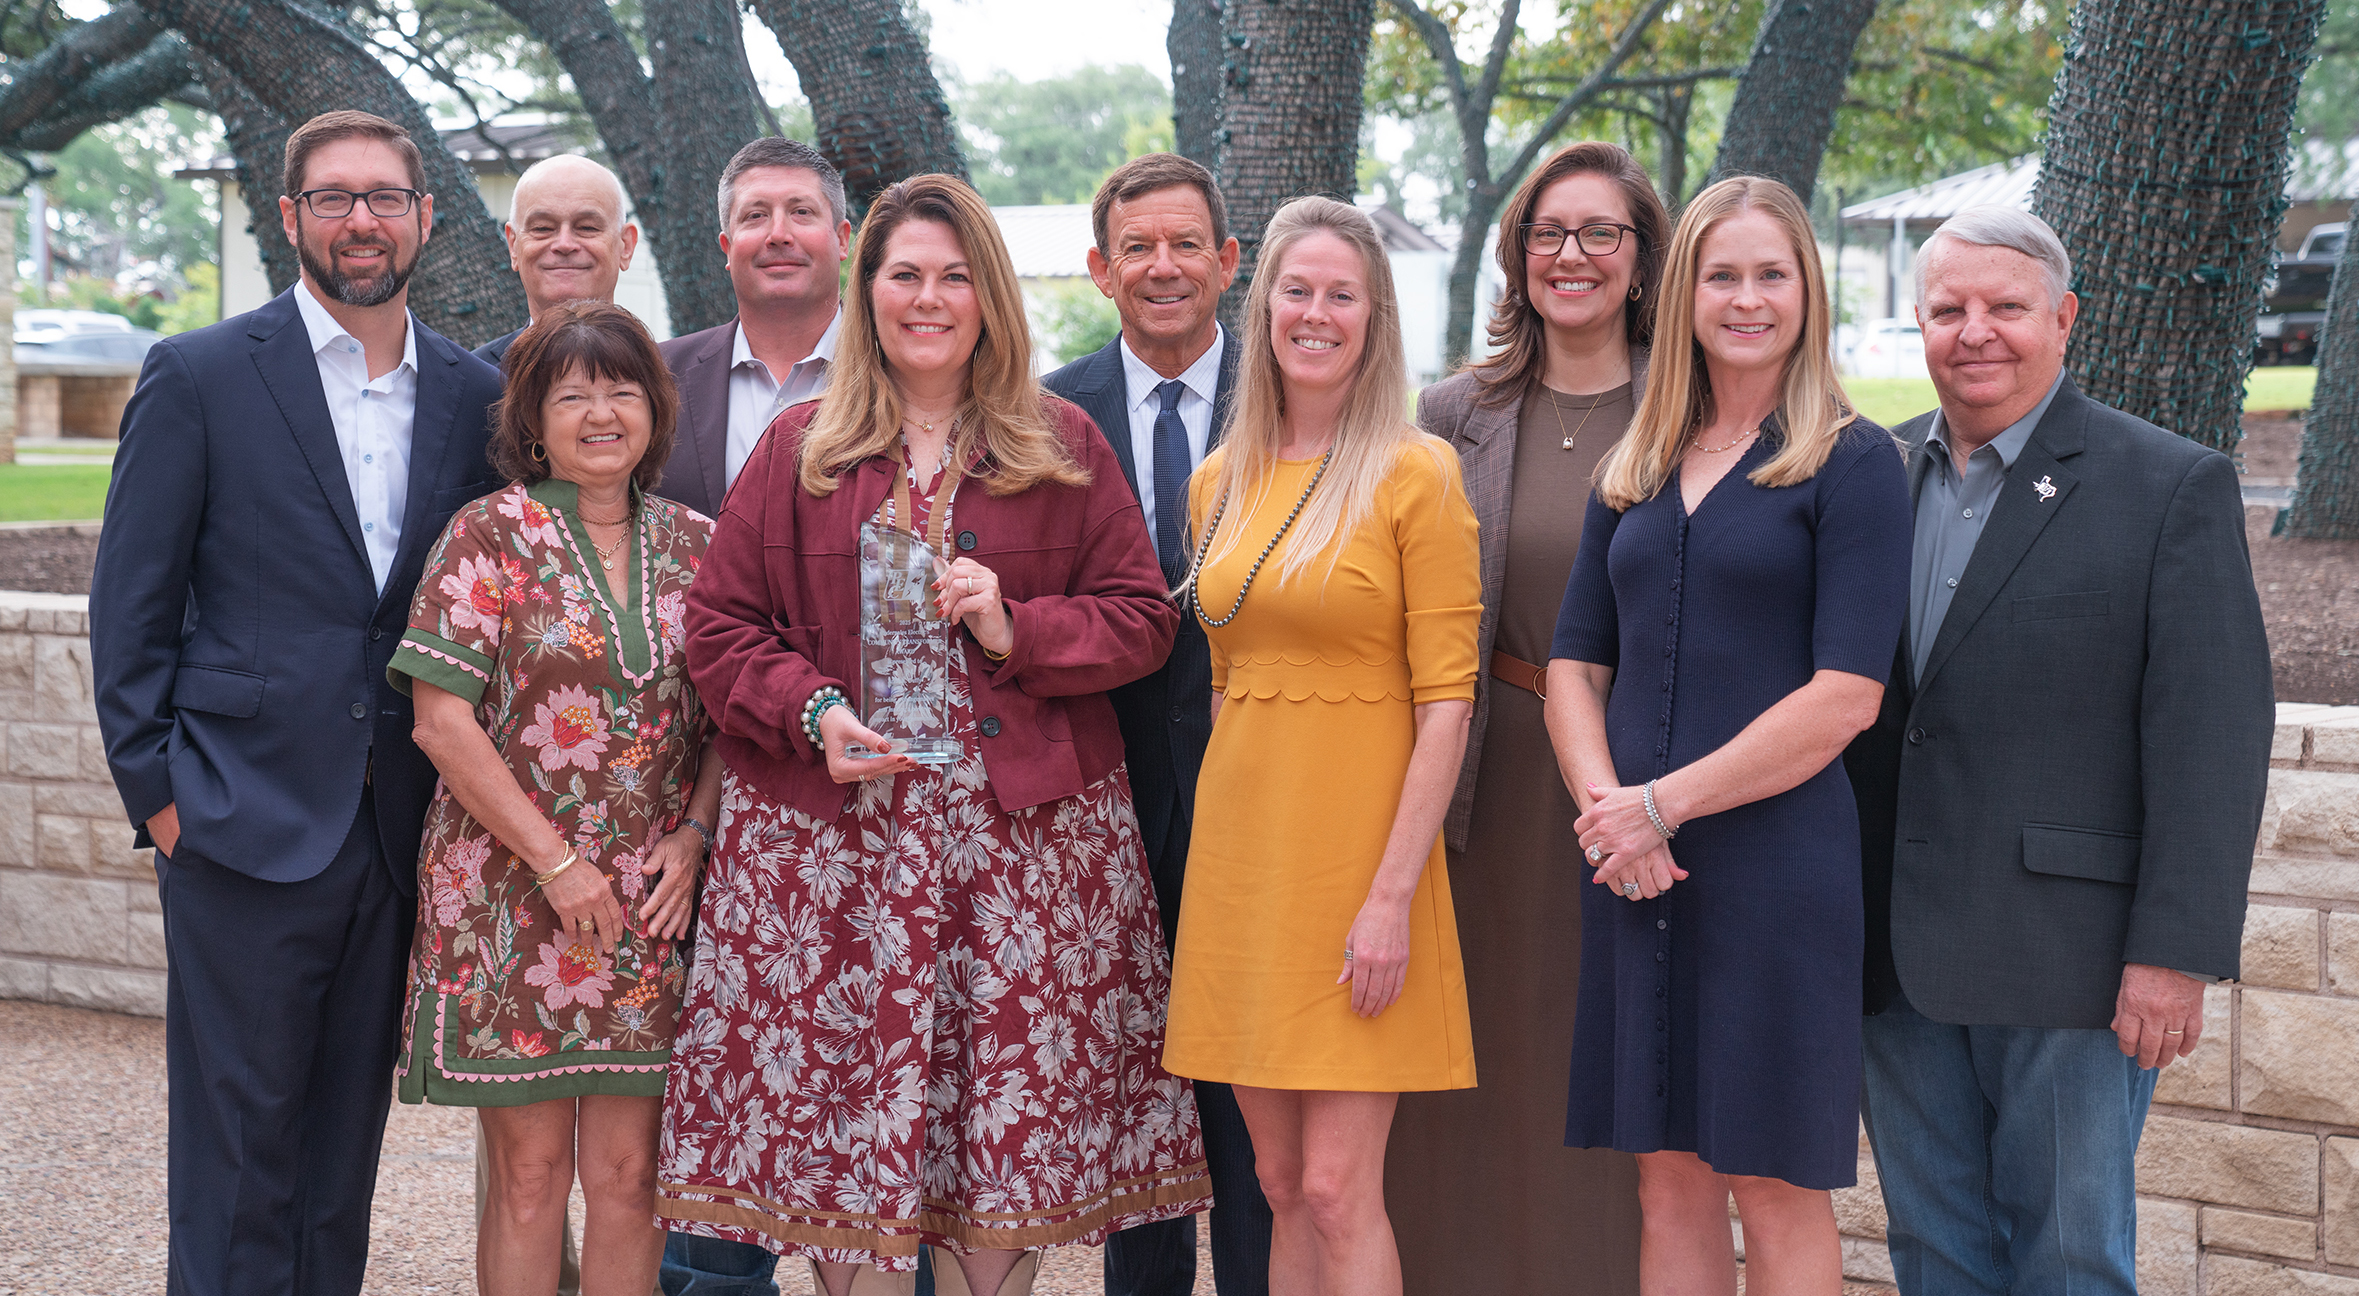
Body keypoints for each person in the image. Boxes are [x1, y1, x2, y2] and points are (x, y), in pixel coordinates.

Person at [660, 173, 1210, 1296]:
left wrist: (1016, 625)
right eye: (904, 274)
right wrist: (812, 710)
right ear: (866, 291)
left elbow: (1143, 621)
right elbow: (717, 627)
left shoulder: (1059, 442)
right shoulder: (800, 448)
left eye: (954, 277)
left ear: (988, 296)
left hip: (1027, 860)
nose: (927, 298)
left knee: (1004, 1147)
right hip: (832, 857)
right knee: (844, 1145)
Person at [89, 109, 504, 1296]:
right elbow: (131, 605)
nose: (360, 220)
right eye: (333, 198)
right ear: (290, 217)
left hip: (396, 832)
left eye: (384, 197)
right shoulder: (201, 374)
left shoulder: (475, 394)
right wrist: (163, 800)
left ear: (425, 216)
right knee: (236, 1157)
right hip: (238, 818)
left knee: (340, 1159)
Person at [1845, 204, 2272, 1296]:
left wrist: (2174, 953)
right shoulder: (1867, 476)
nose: (1974, 331)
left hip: (2069, 960)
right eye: (1948, 309)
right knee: (1932, 1253)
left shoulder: (2167, 484)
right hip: (1891, 951)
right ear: (1918, 322)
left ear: (2063, 318)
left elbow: (2214, 738)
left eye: (2005, 306)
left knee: (2069, 1259)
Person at [1547, 174, 1911, 1295]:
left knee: (1774, 1184)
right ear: (1682, 295)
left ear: (1807, 291)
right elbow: (1573, 666)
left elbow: (1845, 697)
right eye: (1721, 276)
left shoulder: (1855, 463)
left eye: (1770, 275)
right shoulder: (1636, 462)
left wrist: (1659, 807)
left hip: (1774, 875)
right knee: (1666, 1184)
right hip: (1634, 873)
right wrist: (1613, 818)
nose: (1746, 299)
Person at [1161, 195, 1482, 1296]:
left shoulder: (1415, 473)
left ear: (1373, 317)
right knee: (1278, 1181)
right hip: (1244, 874)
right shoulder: (1219, 481)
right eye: (1295, 290)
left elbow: (1447, 704)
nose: (1315, 313)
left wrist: (1392, 897)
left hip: (1360, 873)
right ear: (1262, 310)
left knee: (1342, 1188)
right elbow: (1223, 687)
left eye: (1341, 295)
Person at [388, 299, 715, 1295]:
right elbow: (441, 722)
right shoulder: (485, 535)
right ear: (533, 420)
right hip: (513, 896)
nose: (601, 413)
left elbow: (733, 721)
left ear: (656, 408)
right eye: (572, 396)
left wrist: (697, 834)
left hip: (649, 908)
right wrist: (559, 863)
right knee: (530, 1178)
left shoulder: (701, 546)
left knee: (631, 1179)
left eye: (622, 390)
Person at [1388, 140, 1664, 1296]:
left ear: (1641, 255)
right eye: (1548, 233)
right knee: (1469, 1070)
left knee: (1602, 1066)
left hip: (1638, 784)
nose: (1572, 255)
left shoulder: (1688, 402)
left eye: (1600, 232)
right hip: (1483, 777)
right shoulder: (1454, 412)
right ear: (1517, 255)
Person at [1041, 151, 1274, 1296]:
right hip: (1103, 801)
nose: (1163, 266)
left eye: (1187, 244)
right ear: (1100, 269)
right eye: (1137, 247)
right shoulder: (1043, 416)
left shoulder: (1292, 393)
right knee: (1137, 1103)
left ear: (1228, 262)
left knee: (1257, 1112)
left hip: (1267, 793)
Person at [656, 137, 850, 518]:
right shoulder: (657, 376)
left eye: (801, 212)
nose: (778, 234)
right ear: (727, 247)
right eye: (755, 216)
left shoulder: (898, 369)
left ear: (842, 239)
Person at [476, 154, 641, 365]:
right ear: (513, 246)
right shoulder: (472, 378)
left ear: (626, 246)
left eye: (587, 227)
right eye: (542, 228)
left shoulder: (668, 374)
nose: (564, 244)